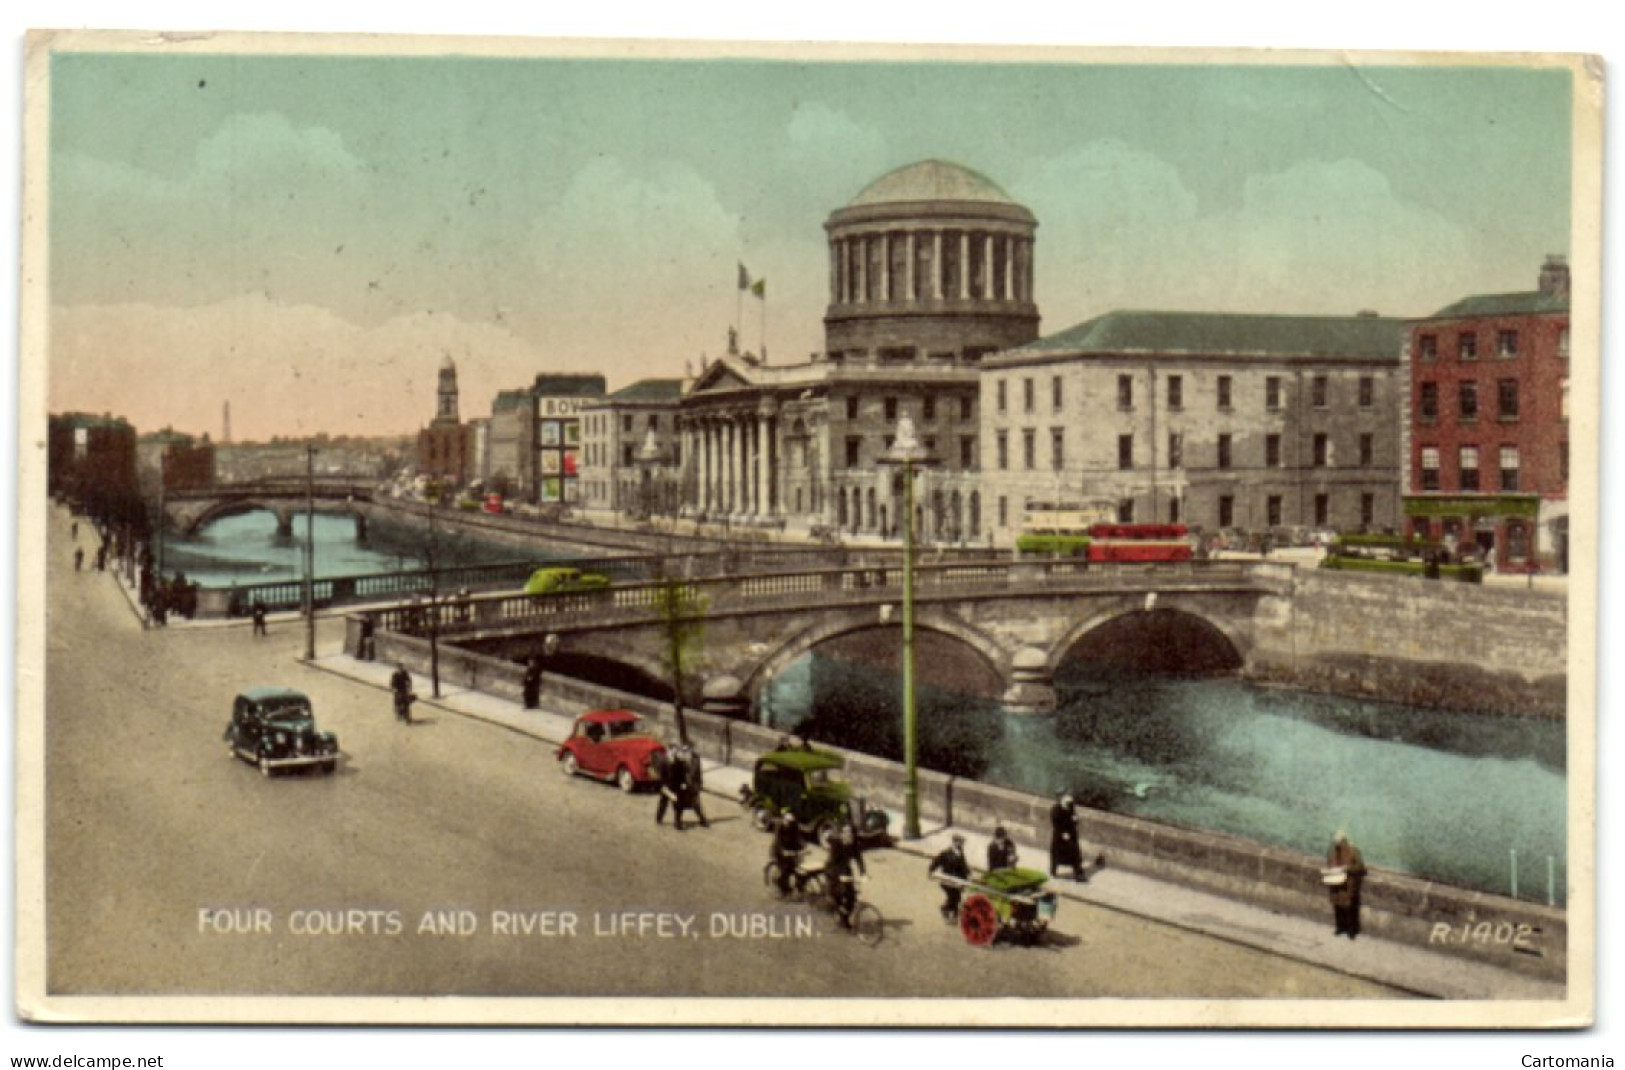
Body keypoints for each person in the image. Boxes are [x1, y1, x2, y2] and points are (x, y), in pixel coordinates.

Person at [1325, 830, 1368, 939]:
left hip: (1349, 885)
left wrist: (1347, 869)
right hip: (1336, 884)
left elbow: (1361, 867)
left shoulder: (1354, 851)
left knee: (1350, 909)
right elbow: (1329, 864)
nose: (1338, 845)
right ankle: (1340, 928)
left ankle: (1352, 931)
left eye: (1340, 842)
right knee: (1338, 907)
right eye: (1337, 843)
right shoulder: (1333, 852)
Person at [824, 822, 867, 930]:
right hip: (833, 871)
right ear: (842, 834)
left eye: (849, 833)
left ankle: (844, 918)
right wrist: (840, 876)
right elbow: (833, 862)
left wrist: (863, 874)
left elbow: (859, 859)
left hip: (845, 870)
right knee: (839, 892)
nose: (847, 835)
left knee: (852, 896)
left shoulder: (854, 845)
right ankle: (834, 906)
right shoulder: (837, 844)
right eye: (845, 832)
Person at [928, 834, 971, 923]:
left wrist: (968, 873)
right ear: (954, 843)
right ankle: (945, 909)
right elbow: (937, 861)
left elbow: (963, 865)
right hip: (947, 880)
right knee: (952, 897)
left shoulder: (960, 852)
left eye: (962, 843)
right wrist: (931, 871)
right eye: (960, 843)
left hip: (958, 880)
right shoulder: (946, 853)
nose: (961, 845)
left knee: (957, 897)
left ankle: (953, 914)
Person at [769, 812, 806, 898]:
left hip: (791, 849)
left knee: (799, 868)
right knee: (785, 870)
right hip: (779, 851)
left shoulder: (794, 826)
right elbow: (778, 841)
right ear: (784, 820)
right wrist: (783, 851)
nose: (789, 824)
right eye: (788, 821)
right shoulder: (779, 827)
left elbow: (799, 837)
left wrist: (804, 847)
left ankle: (799, 888)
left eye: (791, 822)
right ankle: (781, 888)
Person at [655, 745, 692, 829]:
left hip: (676, 787)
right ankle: (659, 818)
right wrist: (665, 788)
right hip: (666, 788)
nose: (674, 753)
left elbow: (682, 773)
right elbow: (661, 777)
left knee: (678, 805)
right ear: (668, 751)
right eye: (673, 751)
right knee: (663, 804)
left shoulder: (678, 762)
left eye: (675, 751)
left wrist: (683, 783)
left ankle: (677, 823)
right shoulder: (663, 762)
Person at [1049, 793, 1085, 881]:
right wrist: (1062, 833)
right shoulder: (1056, 810)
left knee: (1075, 853)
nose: (1070, 805)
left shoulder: (1071, 809)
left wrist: (1075, 820)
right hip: (1060, 837)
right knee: (1057, 855)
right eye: (1068, 803)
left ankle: (1078, 873)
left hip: (1071, 835)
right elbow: (1056, 823)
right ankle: (1053, 870)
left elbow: (1074, 819)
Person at [680, 744, 710, 828]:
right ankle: (677, 821)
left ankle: (702, 820)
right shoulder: (681, 759)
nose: (687, 752)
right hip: (684, 785)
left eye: (688, 750)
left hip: (694, 785)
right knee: (681, 803)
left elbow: (699, 773)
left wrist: (700, 784)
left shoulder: (696, 759)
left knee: (696, 803)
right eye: (685, 751)